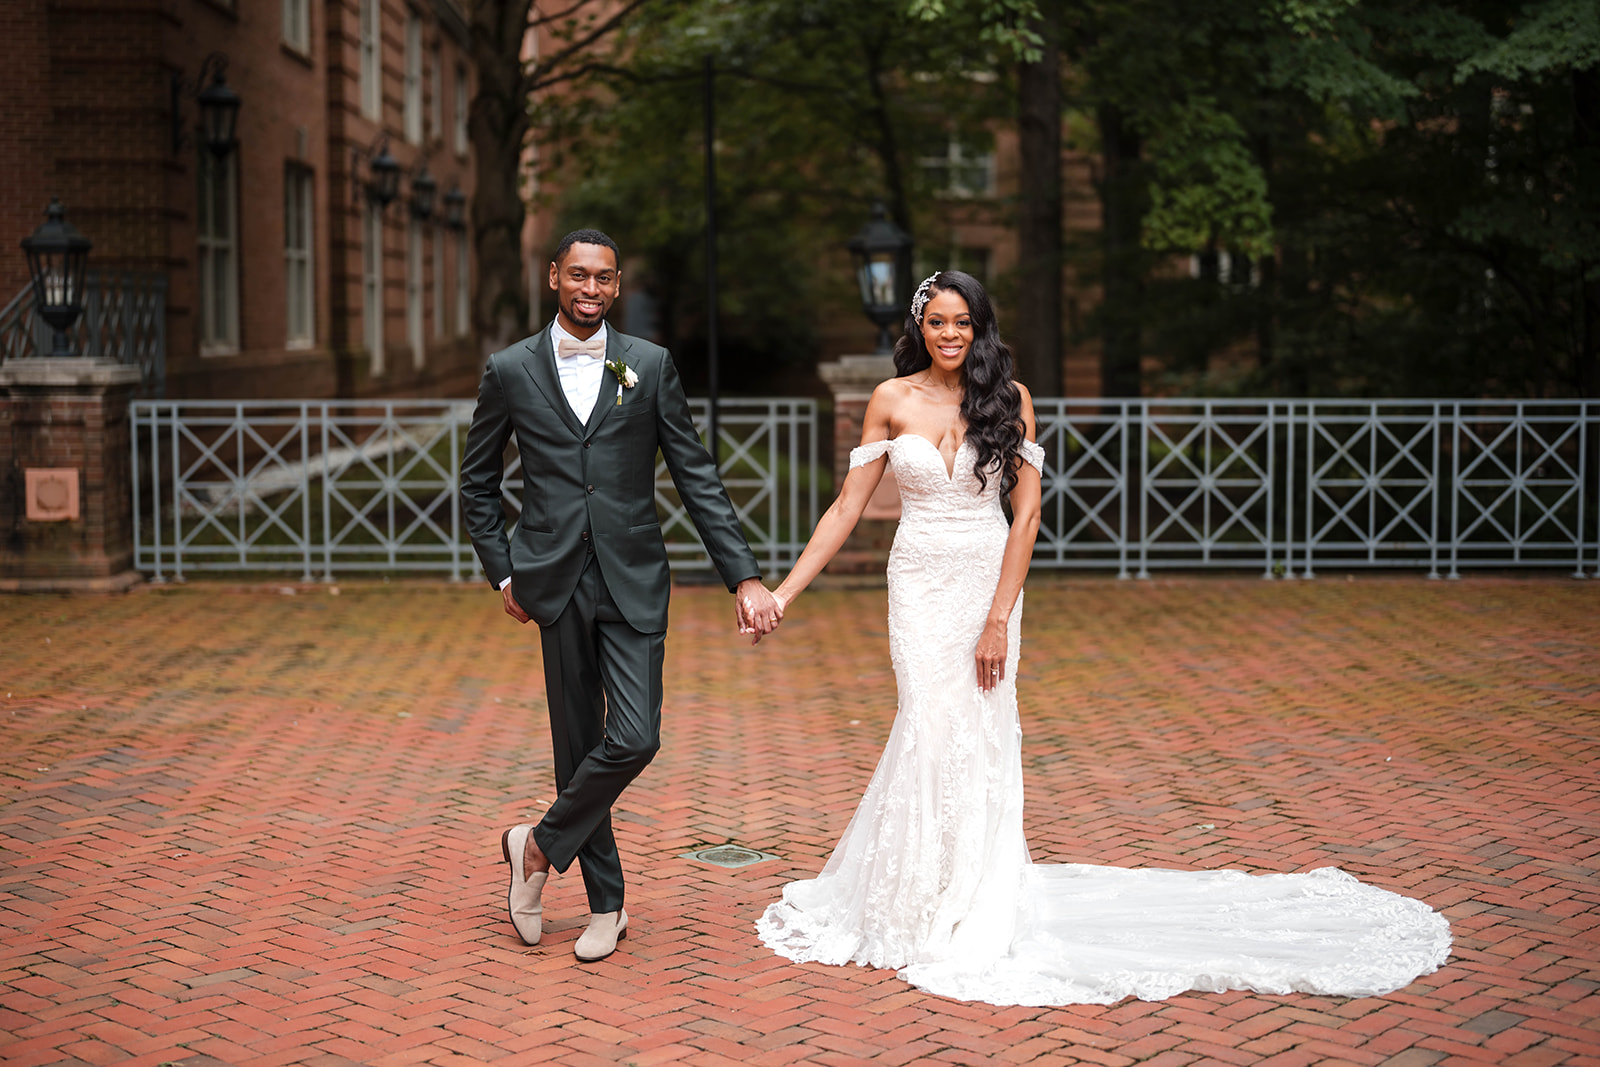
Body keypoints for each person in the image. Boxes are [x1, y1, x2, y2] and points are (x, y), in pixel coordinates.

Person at [754, 270, 1451, 1005]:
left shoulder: (1010, 399)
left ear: (981, 326)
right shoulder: (892, 400)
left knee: (980, 731)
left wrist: (998, 615)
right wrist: (783, 593)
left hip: (987, 585)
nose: (951, 334)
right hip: (919, 584)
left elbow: (1025, 517)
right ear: (919, 327)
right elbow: (846, 508)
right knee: (928, 725)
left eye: (963, 321)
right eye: (937, 322)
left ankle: (973, 897)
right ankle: (918, 898)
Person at [461, 228, 782, 964]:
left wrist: (744, 573)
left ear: (615, 285)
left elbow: (696, 474)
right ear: (553, 277)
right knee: (577, 747)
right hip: (552, 578)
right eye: (578, 275)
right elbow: (477, 482)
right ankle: (607, 904)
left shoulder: (650, 365)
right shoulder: (509, 370)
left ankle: (534, 846)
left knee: (636, 735)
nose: (591, 289)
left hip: (634, 576)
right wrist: (504, 572)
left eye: (605, 278)